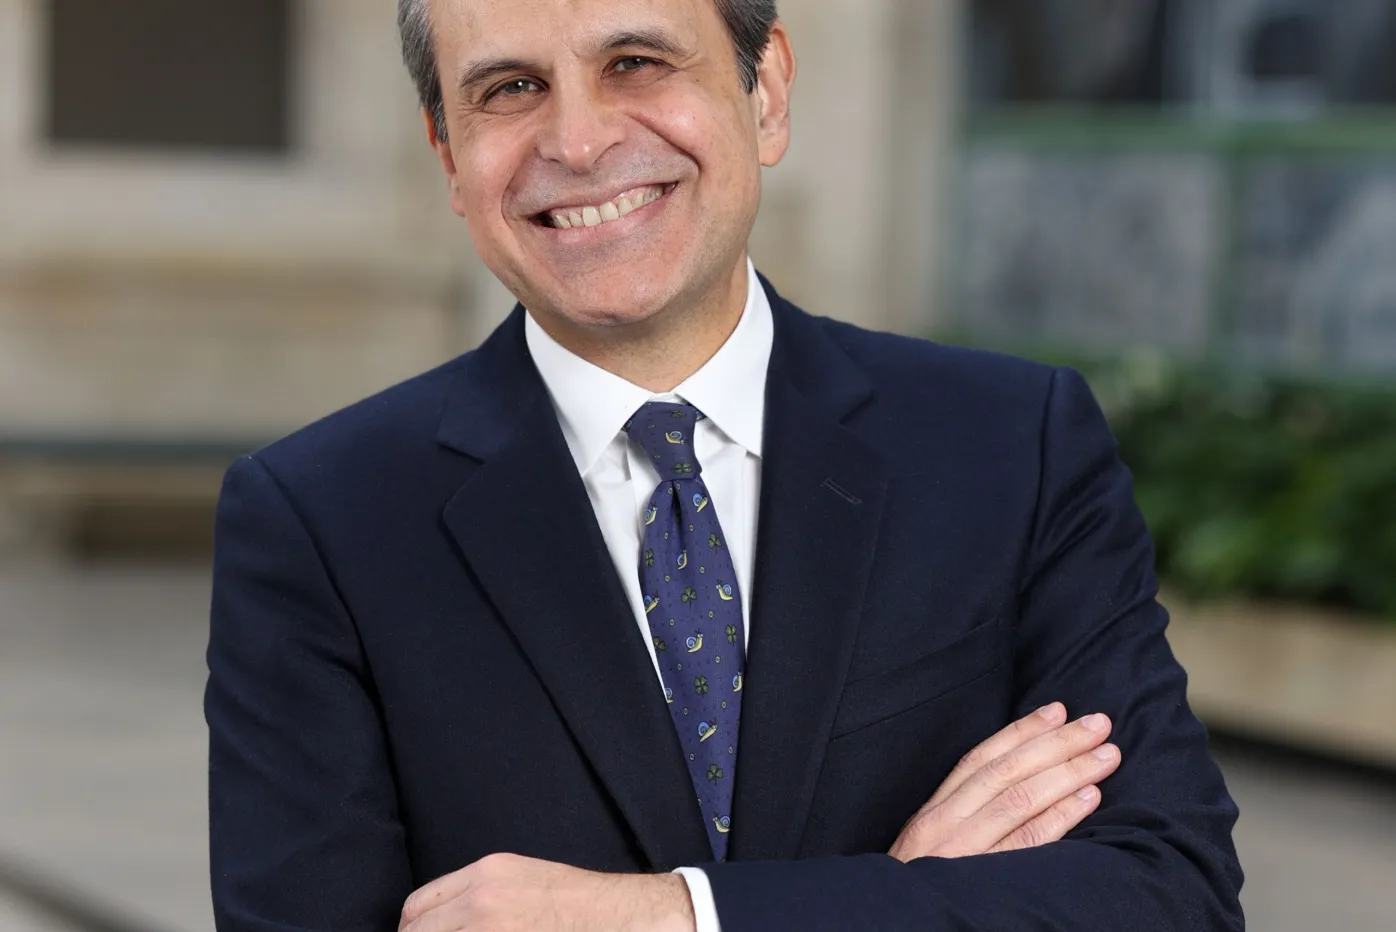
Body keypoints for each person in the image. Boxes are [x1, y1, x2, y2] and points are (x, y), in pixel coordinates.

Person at [204, 1, 1245, 929]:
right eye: (510, 89)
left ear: (768, 92)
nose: (575, 139)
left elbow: (1170, 893)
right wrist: (899, 888)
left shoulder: (1012, 446)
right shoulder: (319, 522)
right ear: (447, 153)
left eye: (636, 63)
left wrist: (675, 915)